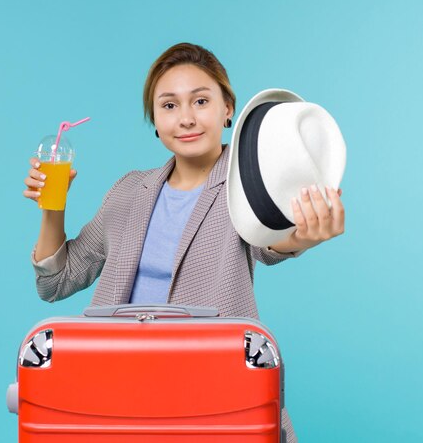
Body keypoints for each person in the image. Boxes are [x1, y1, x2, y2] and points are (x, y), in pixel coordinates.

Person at [23, 42, 345, 442]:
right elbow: (56, 282)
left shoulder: (250, 181)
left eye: (201, 101)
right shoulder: (128, 191)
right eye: (169, 106)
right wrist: (52, 207)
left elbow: (270, 242)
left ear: (228, 108)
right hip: (119, 392)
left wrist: (302, 237)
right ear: (155, 121)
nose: (187, 118)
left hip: (211, 392)